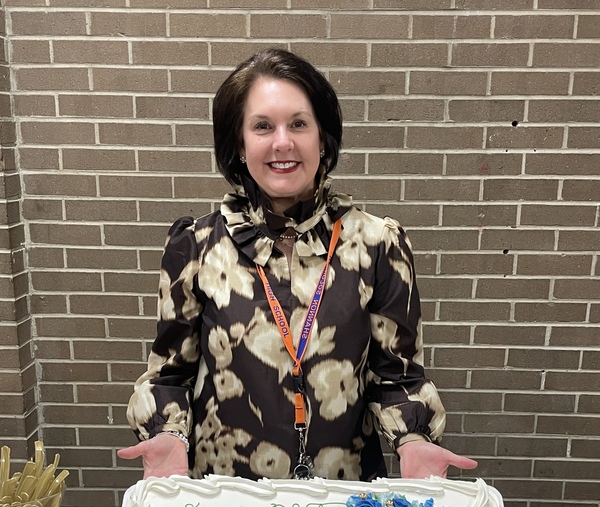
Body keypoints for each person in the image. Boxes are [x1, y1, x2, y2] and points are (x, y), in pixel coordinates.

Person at [118, 49, 477, 483]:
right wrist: (167, 434)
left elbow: (397, 375)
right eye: (263, 126)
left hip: (343, 495)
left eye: (299, 124)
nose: (282, 142)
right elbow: (170, 373)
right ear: (239, 142)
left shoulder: (379, 244)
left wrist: (414, 440)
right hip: (228, 494)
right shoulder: (194, 246)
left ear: (323, 137)